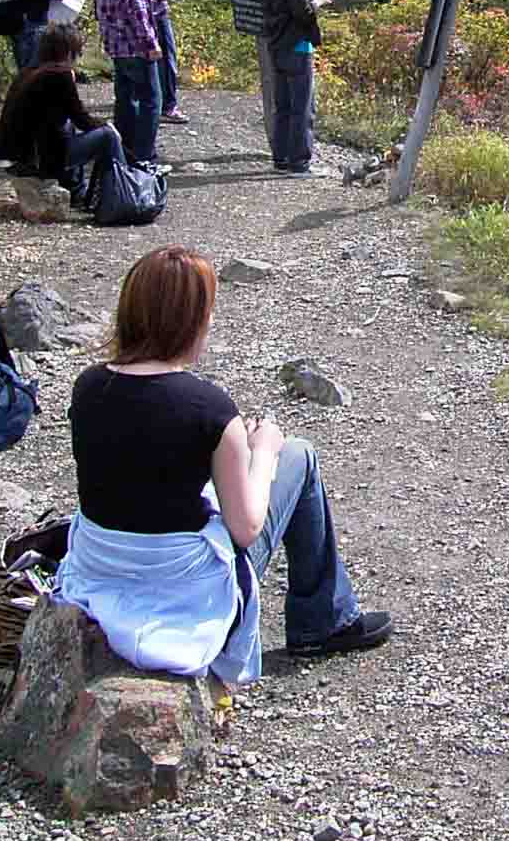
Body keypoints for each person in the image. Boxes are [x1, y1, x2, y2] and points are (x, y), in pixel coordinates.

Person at [55, 246, 394, 682]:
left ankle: (324, 616)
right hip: (180, 582)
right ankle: (322, 621)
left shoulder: (88, 387)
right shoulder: (210, 409)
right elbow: (246, 528)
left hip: (101, 566)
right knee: (300, 455)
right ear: (191, 321)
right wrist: (264, 451)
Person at [0, 24, 126, 187]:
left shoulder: (28, 72)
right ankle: (121, 188)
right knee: (108, 136)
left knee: (66, 127)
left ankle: (75, 187)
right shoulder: (59, 75)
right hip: (40, 158)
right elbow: (82, 120)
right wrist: (107, 125)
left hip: (15, 155)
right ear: (68, 52)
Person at [91, 0, 163, 168]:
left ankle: (123, 151)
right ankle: (144, 156)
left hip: (115, 39)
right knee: (151, 99)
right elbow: (134, 3)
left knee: (124, 97)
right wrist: (150, 41)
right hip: (133, 41)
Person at [260, 0, 332, 174]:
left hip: (276, 46)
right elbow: (302, 12)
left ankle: (280, 159)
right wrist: (319, 0)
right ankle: (299, 162)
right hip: (297, 47)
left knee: (283, 106)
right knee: (302, 107)